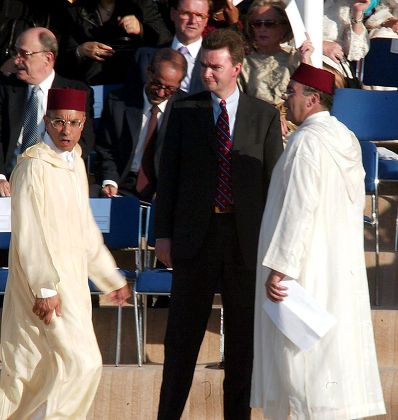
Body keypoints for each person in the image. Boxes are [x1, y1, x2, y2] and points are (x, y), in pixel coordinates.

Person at [155, 29, 283, 420]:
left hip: (245, 242)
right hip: (195, 237)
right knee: (181, 343)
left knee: (242, 347)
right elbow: (168, 177)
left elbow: (273, 185)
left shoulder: (264, 115)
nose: (207, 74)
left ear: (237, 68)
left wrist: (273, 248)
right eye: (204, 67)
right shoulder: (183, 109)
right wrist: (162, 234)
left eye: (216, 67)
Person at [251, 63, 386, 419]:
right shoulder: (345, 137)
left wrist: (281, 267)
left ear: (311, 99)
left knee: (300, 367)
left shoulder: (306, 143)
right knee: (329, 364)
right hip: (337, 267)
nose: (285, 99)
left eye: (290, 92)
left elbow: (299, 208)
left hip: (305, 272)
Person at [0, 87, 131, 419]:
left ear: (84, 123)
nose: (65, 130)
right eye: (58, 122)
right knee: (78, 365)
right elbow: (29, 233)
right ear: (46, 120)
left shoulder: (74, 164)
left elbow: (86, 229)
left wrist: (109, 277)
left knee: (42, 373)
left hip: (73, 287)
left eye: (73, 123)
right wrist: (45, 288)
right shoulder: (33, 167)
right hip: (44, 288)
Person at [0, 26, 95, 197]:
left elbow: (84, 143)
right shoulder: (6, 89)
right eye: (15, 53)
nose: (16, 60)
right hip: (8, 182)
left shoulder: (74, 92)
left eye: (24, 54)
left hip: (54, 183)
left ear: (48, 58)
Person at [93, 47, 187, 201]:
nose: (161, 93)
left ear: (179, 84)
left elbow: (186, 161)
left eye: (170, 89)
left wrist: (167, 189)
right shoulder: (118, 102)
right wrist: (110, 181)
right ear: (149, 72)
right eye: (157, 84)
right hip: (122, 183)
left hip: (163, 189)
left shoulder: (186, 109)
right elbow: (106, 149)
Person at [239, 0, 313, 139]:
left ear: (284, 27)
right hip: (256, 129)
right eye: (257, 24)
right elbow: (239, 104)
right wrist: (270, 119)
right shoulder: (244, 64)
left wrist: (306, 60)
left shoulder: (296, 58)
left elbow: (310, 96)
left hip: (294, 129)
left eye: (270, 24)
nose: (262, 29)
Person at [56, 0, 172, 85]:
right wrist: (81, 50)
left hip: (128, 85)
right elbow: (62, 58)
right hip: (89, 85)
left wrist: (141, 29)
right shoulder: (75, 11)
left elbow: (165, 40)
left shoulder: (141, 6)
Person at [135, 0, 210, 94]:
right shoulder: (145, 56)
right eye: (186, 13)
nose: (193, 21)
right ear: (173, 14)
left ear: (206, 20)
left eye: (199, 15)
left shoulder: (215, 62)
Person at [323, 0, 370, 87]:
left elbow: (356, 53)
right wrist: (321, 46)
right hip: (297, 56)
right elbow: (289, 35)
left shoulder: (344, 5)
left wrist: (357, 12)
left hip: (333, 65)